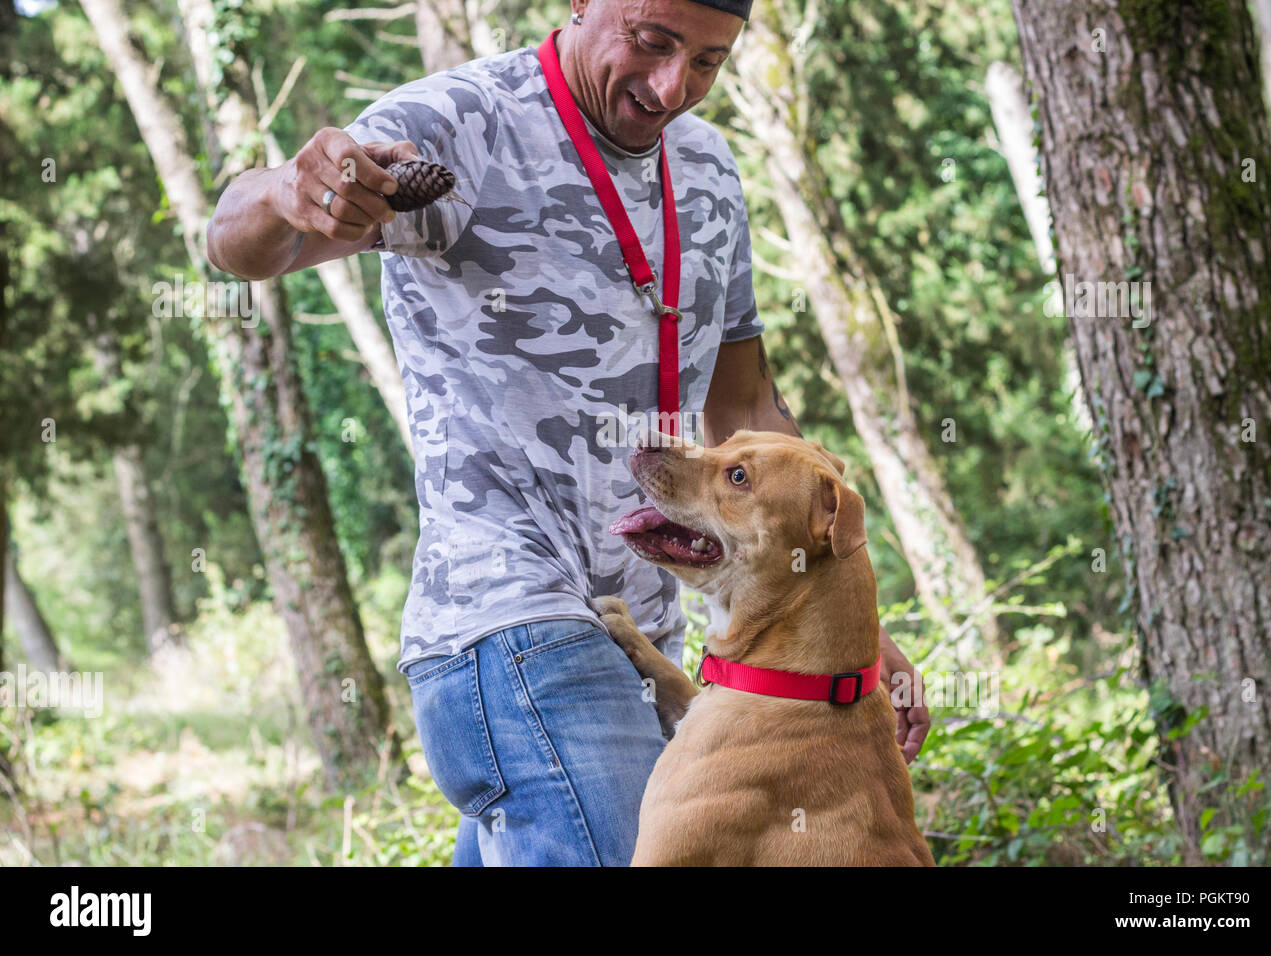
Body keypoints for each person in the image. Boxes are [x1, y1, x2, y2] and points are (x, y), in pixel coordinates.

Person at [206, 0, 929, 866]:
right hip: (513, 614)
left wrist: (844, 617)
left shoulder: (707, 167)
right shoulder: (462, 124)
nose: (671, 87)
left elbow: (744, 414)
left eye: (707, 61)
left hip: (649, 640)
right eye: (653, 43)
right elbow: (238, 243)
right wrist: (290, 190)